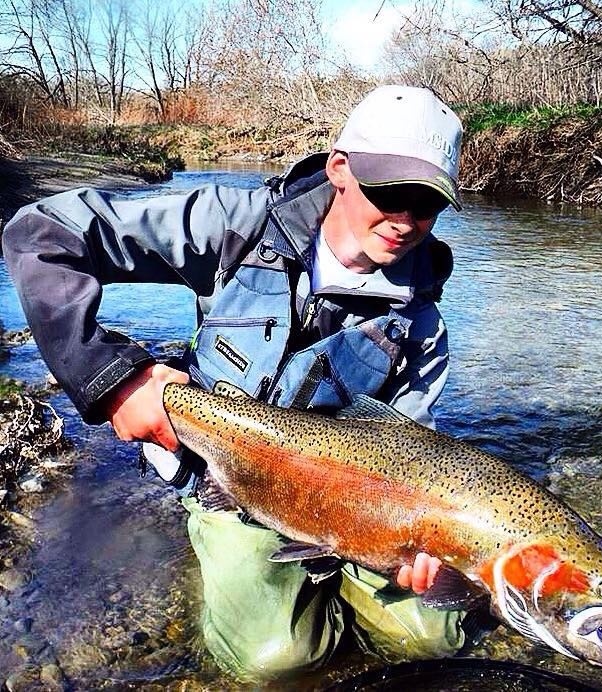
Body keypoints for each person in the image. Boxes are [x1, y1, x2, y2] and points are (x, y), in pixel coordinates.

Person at [2, 85, 467, 681]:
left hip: (354, 504)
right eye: (393, 193)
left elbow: (414, 452)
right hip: (231, 477)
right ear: (341, 170)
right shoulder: (234, 226)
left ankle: (336, 585)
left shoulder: (421, 322)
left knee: (437, 635)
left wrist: (419, 543)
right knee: (276, 662)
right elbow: (40, 233)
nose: (406, 220)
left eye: (427, 204)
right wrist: (110, 378)